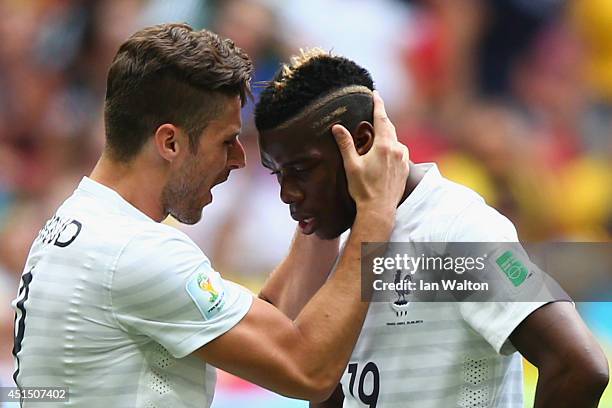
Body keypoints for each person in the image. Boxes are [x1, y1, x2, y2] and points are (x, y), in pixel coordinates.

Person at [11, 24, 411, 407]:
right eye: (226, 140)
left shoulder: (79, 223)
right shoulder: (134, 252)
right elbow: (307, 369)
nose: (238, 159)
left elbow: (268, 326)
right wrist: (374, 214)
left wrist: (323, 204)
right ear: (170, 142)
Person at [255, 48, 609, 408]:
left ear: (361, 142)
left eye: (301, 170)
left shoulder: (455, 230)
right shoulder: (338, 235)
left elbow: (577, 367)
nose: (287, 193)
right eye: (278, 173)